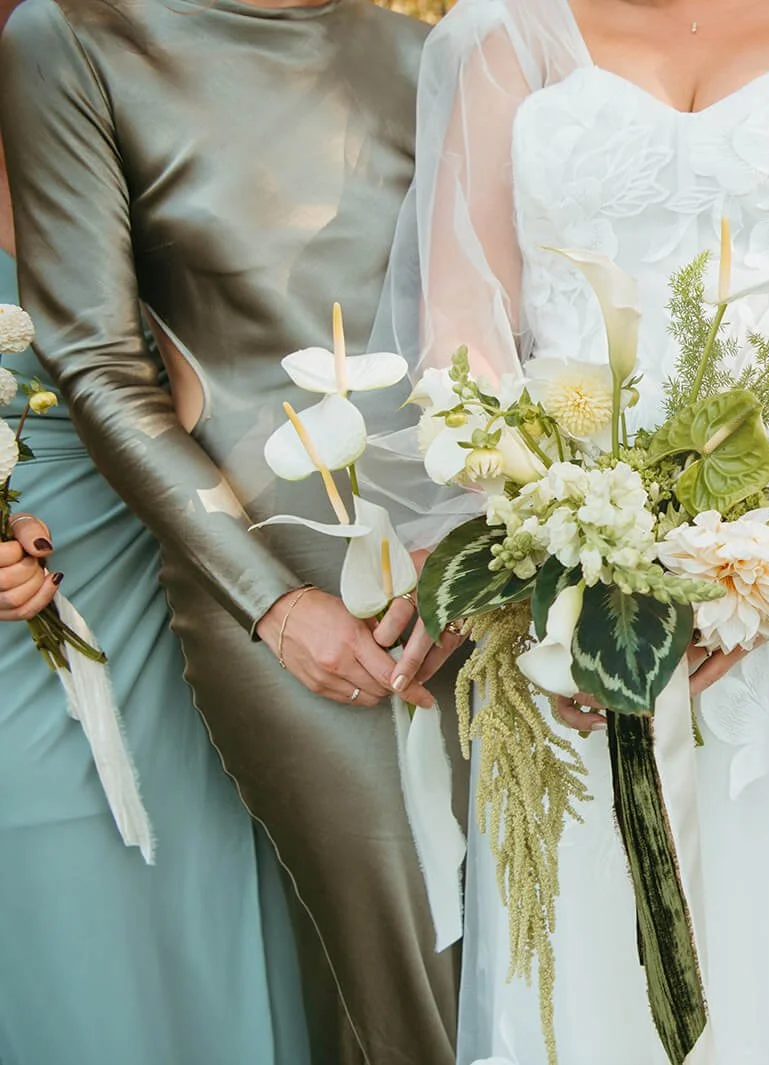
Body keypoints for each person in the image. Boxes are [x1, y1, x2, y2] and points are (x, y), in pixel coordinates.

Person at [372, 0, 769, 1061]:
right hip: (587, 592)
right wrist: (552, 539)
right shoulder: (511, 35)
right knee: (602, 957)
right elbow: (464, 333)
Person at [0, 2, 465, 1062]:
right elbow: (99, 363)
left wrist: (483, 539)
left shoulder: (427, 43)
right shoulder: (75, 38)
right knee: (410, 967)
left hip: (470, 561)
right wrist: (269, 601)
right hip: (281, 578)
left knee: (520, 956)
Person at [0, 0, 308, 1057]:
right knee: (73, 904)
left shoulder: (139, 83)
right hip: (34, 613)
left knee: (222, 879)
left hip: (213, 577)